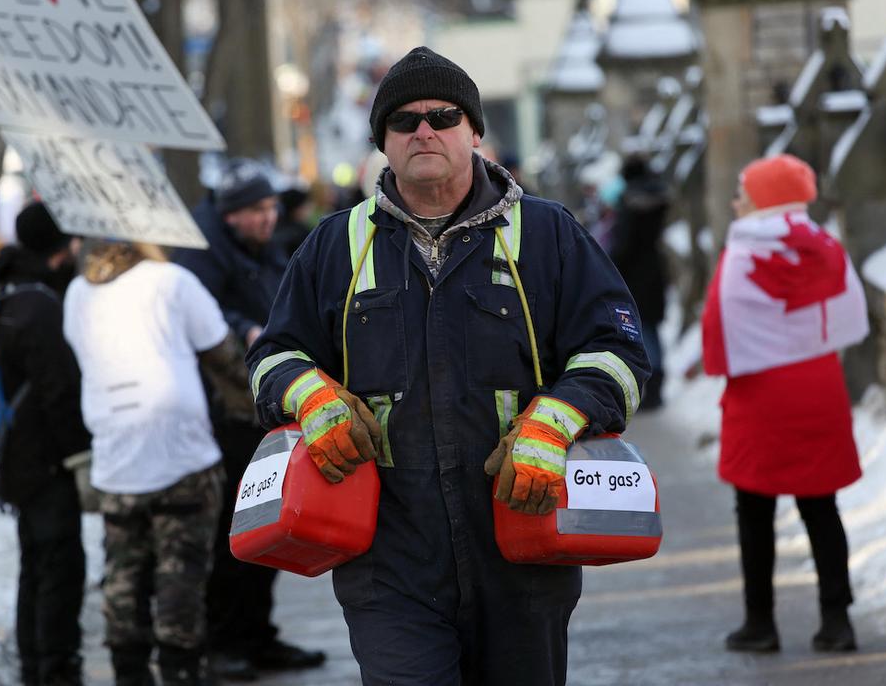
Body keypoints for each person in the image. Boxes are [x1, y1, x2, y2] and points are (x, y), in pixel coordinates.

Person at [246, 46, 650, 685]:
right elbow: (272, 357)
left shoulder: (546, 234)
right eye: (403, 121)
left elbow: (618, 354)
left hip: (521, 550)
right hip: (390, 559)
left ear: (475, 132)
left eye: (443, 115)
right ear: (383, 141)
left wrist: (556, 420)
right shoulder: (335, 244)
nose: (424, 130)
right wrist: (312, 397)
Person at [63, 240, 254, 686]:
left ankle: (128, 673)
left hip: (116, 456)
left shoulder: (77, 293)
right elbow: (224, 354)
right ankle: (181, 671)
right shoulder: (173, 282)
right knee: (181, 576)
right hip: (180, 453)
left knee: (123, 576)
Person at [702, 154, 869, 654]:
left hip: (761, 394)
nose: (737, 202)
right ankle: (837, 620)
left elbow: (719, 323)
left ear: (764, 199)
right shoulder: (823, 244)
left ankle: (760, 622)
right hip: (818, 387)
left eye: (744, 194)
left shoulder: (748, 247)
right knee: (821, 506)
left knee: (754, 509)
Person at [172, 164, 326, 680]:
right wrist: (245, 328)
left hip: (261, 405)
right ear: (232, 215)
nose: (269, 218)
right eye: (258, 211)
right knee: (233, 531)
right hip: (225, 412)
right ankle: (224, 640)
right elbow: (201, 316)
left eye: (270, 209)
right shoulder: (202, 254)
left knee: (266, 522)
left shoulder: (262, 246)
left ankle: (258, 634)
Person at [0, 201, 92, 686]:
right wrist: (79, 454)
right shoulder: (40, 307)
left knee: (36, 565)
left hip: (19, 459)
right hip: (45, 463)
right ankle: (54, 671)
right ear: (60, 246)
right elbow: (59, 389)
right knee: (59, 567)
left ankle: (36, 668)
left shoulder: (12, 291)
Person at [608, 154, 670, 409]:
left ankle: (651, 388)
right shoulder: (658, 199)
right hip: (654, 270)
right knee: (652, 329)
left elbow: (623, 244)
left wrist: (611, 264)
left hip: (632, 275)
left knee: (641, 330)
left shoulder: (629, 204)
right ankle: (657, 387)